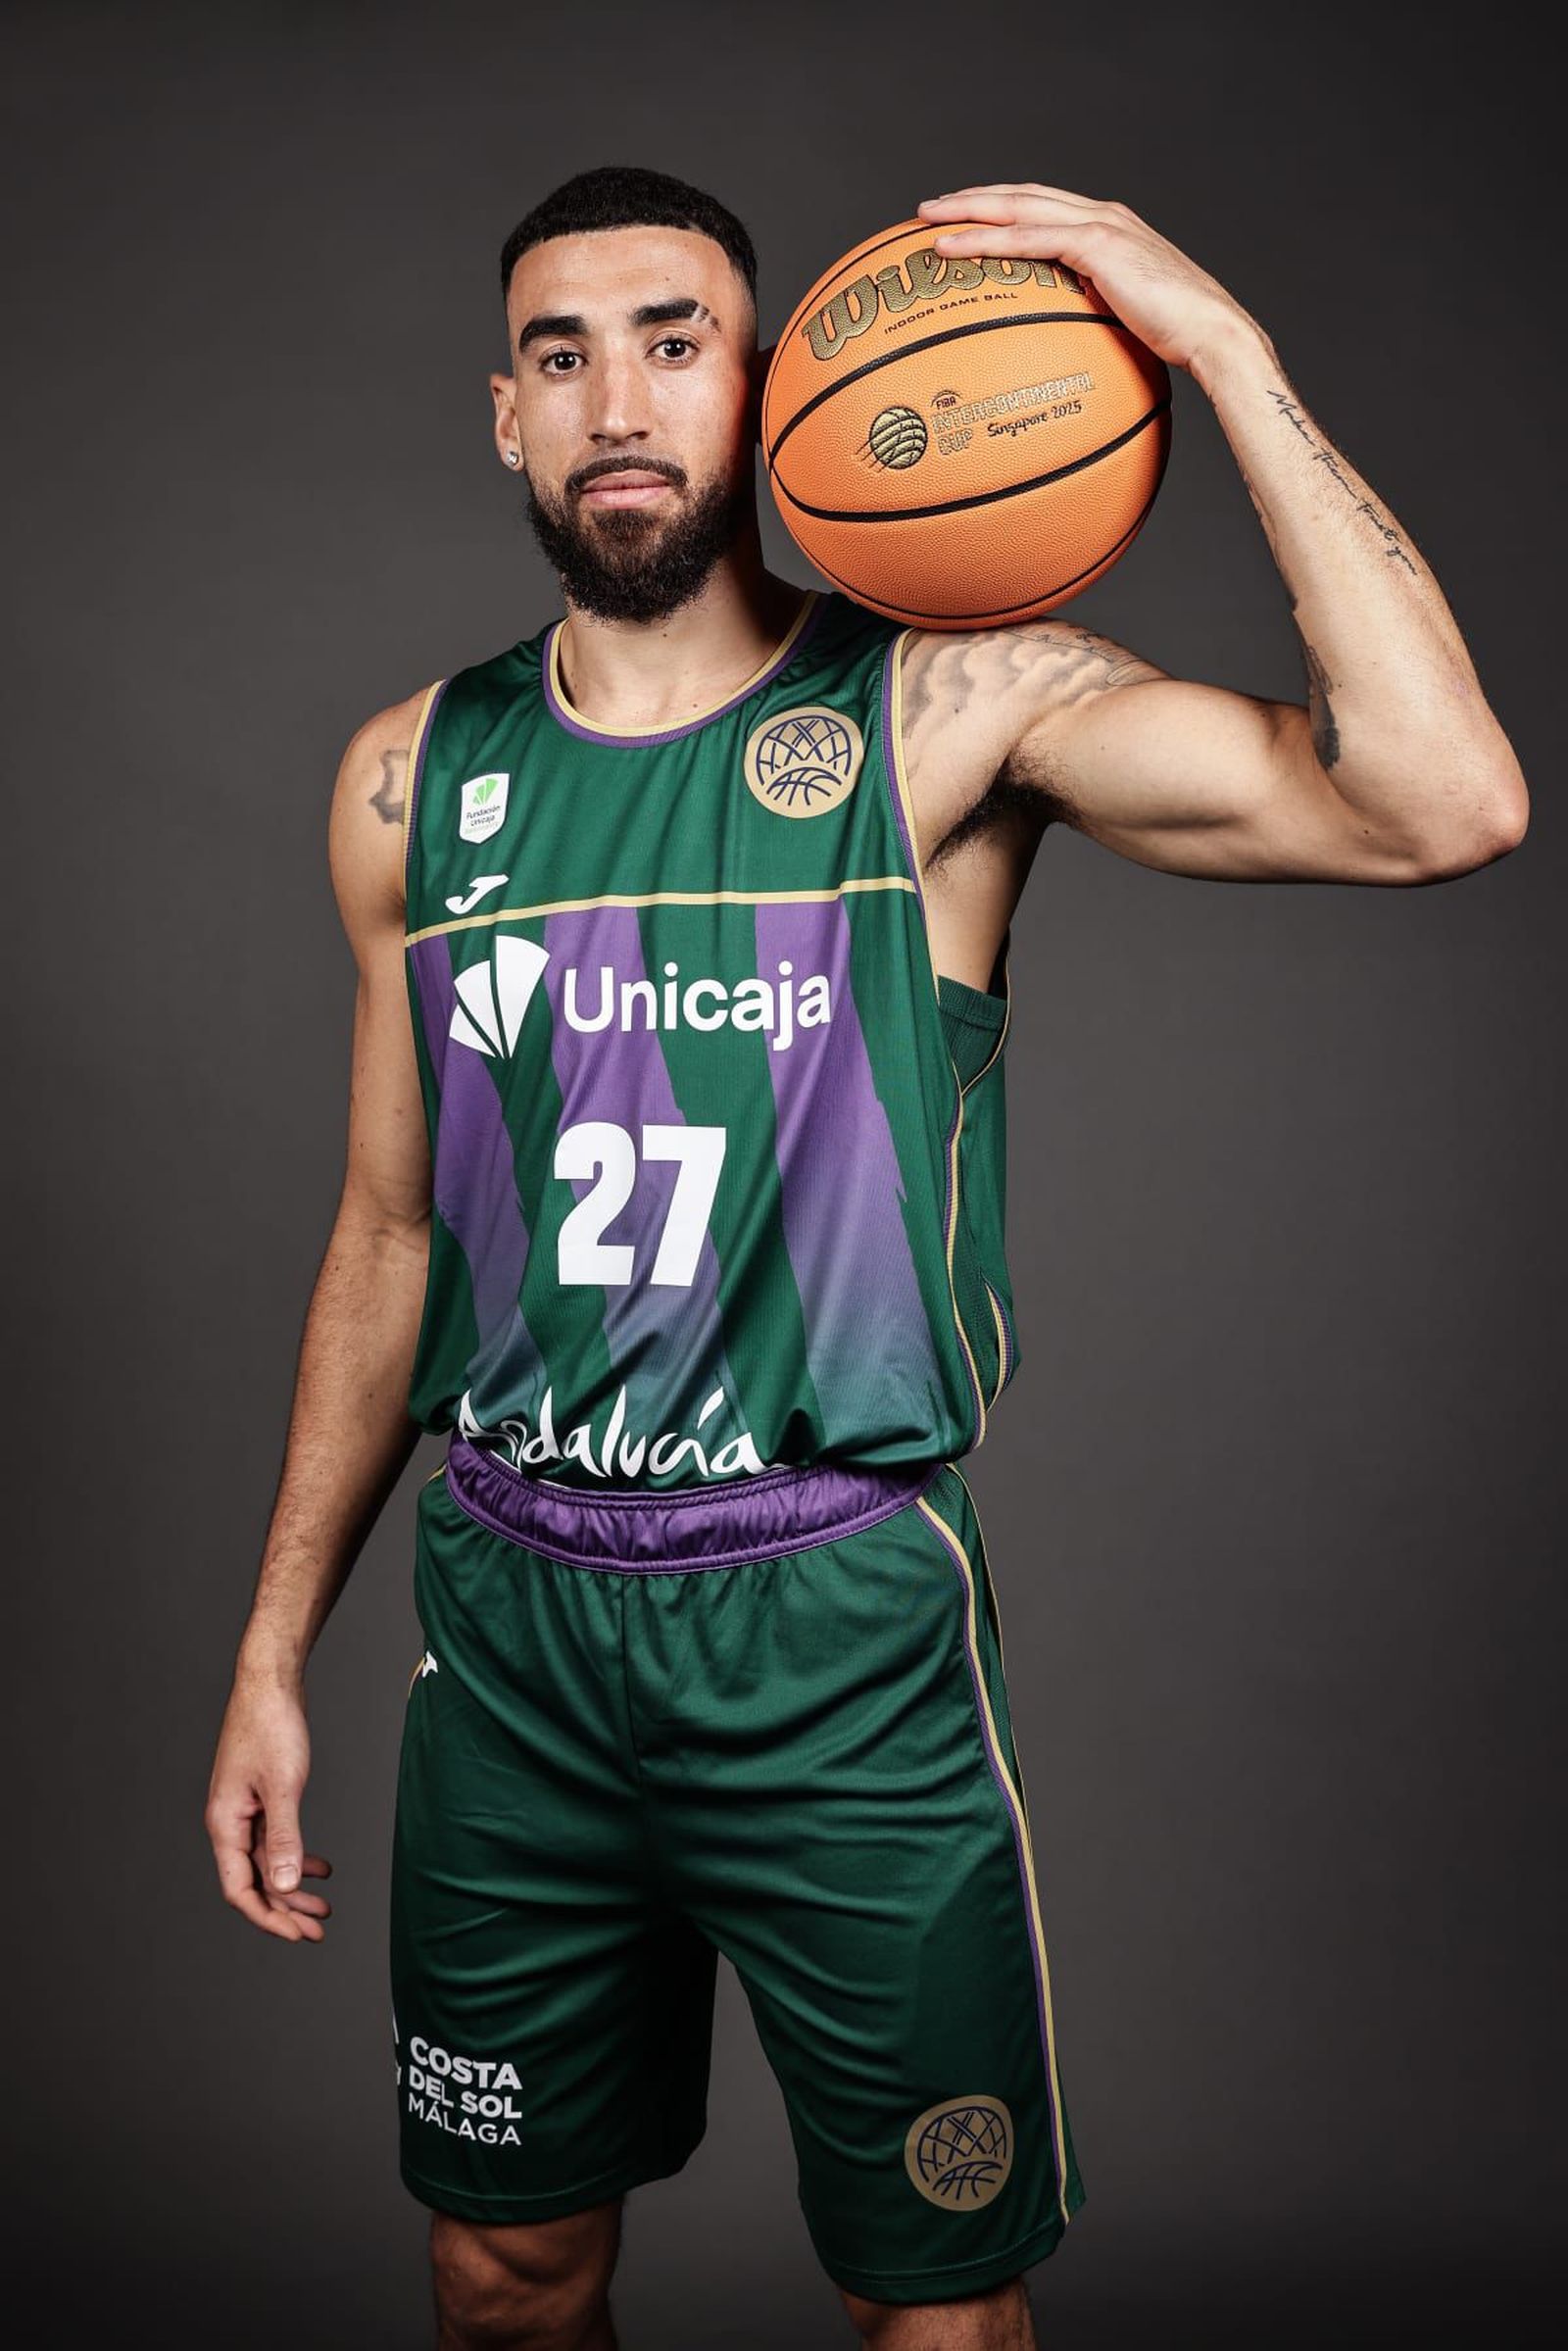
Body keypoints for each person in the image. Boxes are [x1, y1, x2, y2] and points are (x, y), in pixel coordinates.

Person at [205, 165, 1527, 2351]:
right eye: (561, 354)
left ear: (771, 386)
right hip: (513, 1641)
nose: (617, 398)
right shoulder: (407, 782)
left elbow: (1436, 799)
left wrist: (1223, 353)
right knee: (501, 2274)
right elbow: (388, 1229)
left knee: (929, 2305)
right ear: (506, 420)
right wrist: (271, 1652)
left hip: (828, 1641)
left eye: (673, 339)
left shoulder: (950, 720)